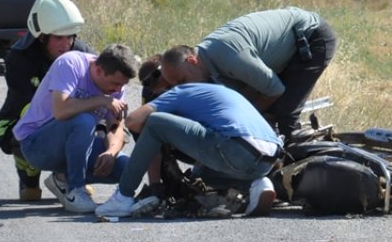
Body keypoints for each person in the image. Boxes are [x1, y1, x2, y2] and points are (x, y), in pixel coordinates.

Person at [94, 81, 280, 220]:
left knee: (155, 122)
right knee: (200, 175)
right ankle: (255, 185)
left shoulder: (179, 91)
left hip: (236, 149)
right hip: (267, 159)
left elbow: (133, 121)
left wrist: (154, 139)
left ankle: (123, 197)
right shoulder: (214, 91)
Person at [160, 7, 336, 139]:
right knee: (261, 111)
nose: (182, 88)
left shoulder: (228, 56)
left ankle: (297, 178)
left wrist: (247, 116)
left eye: (182, 81)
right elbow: (242, 98)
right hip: (287, 47)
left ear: (192, 61)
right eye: (175, 85)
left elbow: (274, 90)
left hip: (311, 37)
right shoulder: (208, 64)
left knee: (284, 114)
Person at [13, 43, 139, 213]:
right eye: (115, 84)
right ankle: (76, 188)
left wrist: (111, 152)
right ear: (99, 70)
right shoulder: (70, 64)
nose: (118, 89)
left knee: (127, 168)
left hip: (75, 147)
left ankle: (62, 179)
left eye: (121, 85)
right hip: (37, 145)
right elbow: (61, 111)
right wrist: (102, 100)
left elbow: (115, 126)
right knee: (84, 121)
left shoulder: (116, 85)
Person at [0, 0, 95, 201]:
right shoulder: (19, 58)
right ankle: (29, 176)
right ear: (42, 36)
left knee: (88, 119)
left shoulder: (83, 53)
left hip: (65, 115)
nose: (66, 44)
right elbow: (36, 109)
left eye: (70, 36)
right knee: (32, 117)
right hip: (20, 121)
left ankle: (71, 174)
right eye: (59, 38)